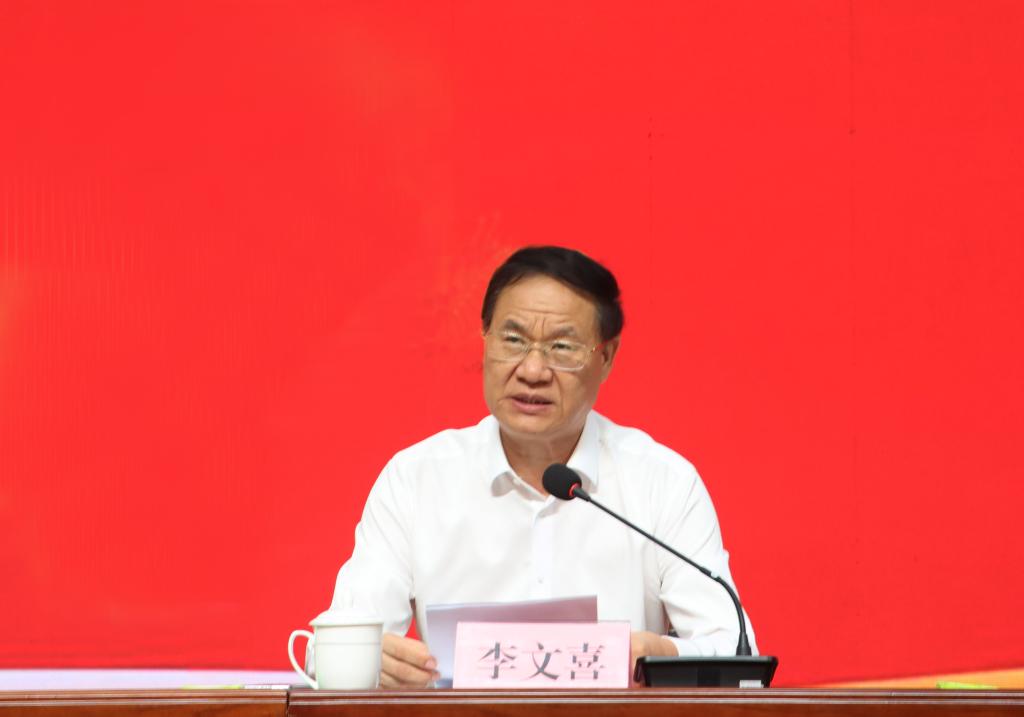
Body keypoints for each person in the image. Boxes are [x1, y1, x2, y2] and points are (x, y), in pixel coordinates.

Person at [328, 246, 756, 687]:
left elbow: (737, 653)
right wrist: (370, 659)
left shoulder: (661, 482)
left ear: (606, 357)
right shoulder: (416, 479)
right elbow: (332, 641)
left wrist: (663, 655)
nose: (532, 370)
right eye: (513, 341)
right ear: (485, 339)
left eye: (562, 347)